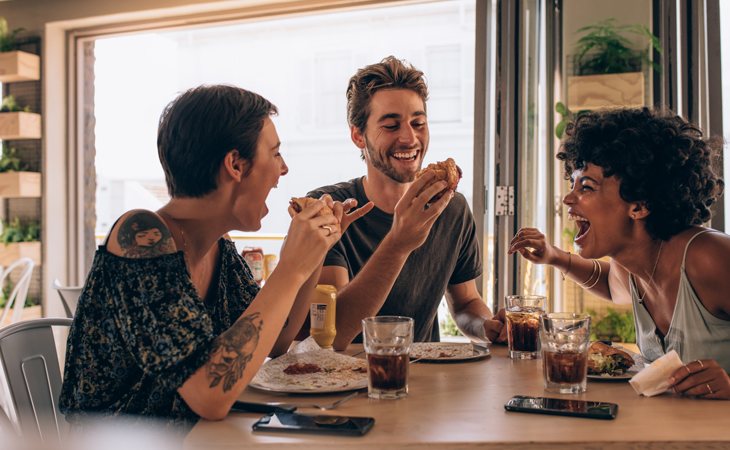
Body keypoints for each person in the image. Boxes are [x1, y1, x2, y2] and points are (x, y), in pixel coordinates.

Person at [59, 85, 367, 428]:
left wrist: (316, 253)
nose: (284, 170)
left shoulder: (218, 247)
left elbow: (276, 340)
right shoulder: (140, 236)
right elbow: (210, 394)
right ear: (235, 164)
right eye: (275, 154)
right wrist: (291, 267)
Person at [509, 107, 730, 400]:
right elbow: (611, 284)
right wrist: (555, 257)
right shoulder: (632, 266)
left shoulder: (710, 258)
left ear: (639, 205)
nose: (568, 198)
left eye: (586, 187)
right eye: (571, 183)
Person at [308, 56, 506, 350]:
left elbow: (466, 302)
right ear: (358, 135)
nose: (409, 138)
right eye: (391, 126)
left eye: (418, 123)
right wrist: (399, 241)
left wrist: (486, 327)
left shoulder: (452, 208)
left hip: (423, 380)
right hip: (344, 381)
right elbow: (331, 333)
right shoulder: (329, 209)